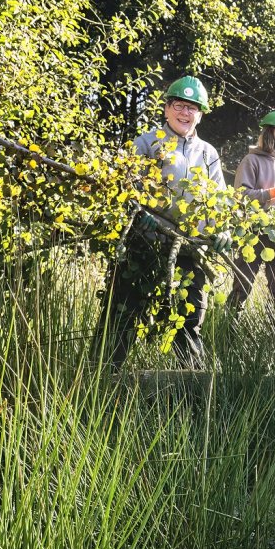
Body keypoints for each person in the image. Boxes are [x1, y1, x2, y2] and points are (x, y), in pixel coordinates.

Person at [93, 75, 231, 369]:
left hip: (190, 249)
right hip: (144, 243)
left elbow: (219, 201)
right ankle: (101, 377)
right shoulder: (146, 143)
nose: (185, 113)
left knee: (189, 319)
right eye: (180, 105)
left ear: (201, 115)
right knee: (122, 315)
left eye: (192, 108)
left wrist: (224, 230)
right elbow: (125, 190)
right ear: (167, 109)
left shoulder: (208, 154)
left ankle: (193, 388)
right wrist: (141, 216)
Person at [227, 109, 275, 312]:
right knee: (242, 286)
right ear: (269, 134)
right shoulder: (251, 161)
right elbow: (241, 195)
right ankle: (229, 333)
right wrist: (273, 193)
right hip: (254, 234)